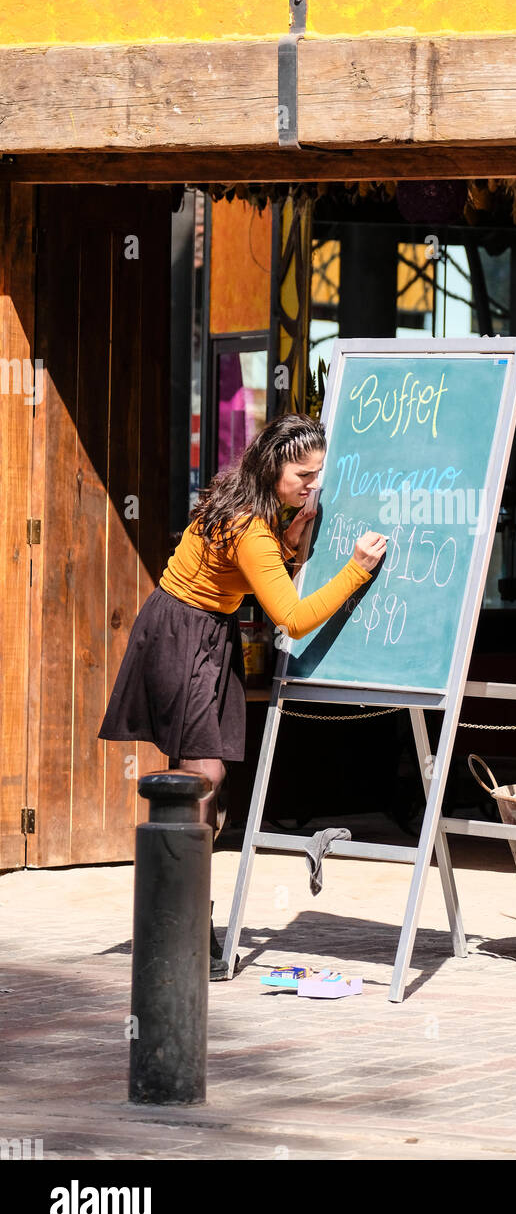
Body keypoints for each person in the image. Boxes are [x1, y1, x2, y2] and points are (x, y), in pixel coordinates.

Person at [99, 413, 387, 978]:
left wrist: (294, 540)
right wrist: (355, 569)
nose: (313, 486)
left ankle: (178, 915)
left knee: (205, 781)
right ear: (271, 467)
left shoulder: (247, 501)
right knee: (200, 779)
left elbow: (263, 570)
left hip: (203, 630)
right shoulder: (250, 526)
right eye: (302, 475)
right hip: (183, 633)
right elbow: (293, 617)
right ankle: (177, 921)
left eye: (318, 474)